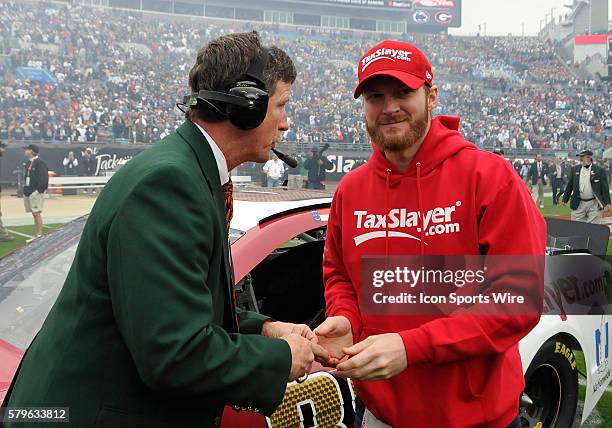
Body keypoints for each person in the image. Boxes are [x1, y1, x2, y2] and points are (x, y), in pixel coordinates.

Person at [2, 32, 328, 427]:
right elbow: (175, 353)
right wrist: (283, 358)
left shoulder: (187, 171)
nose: (286, 123)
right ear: (247, 106)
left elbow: (182, 307)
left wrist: (267, 329)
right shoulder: (169, 185)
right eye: (281, 105)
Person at [314, 40, 545, 428]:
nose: (389, 108)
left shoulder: (490, 178)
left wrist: (411, 346)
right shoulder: (350, 191)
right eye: (375, 97)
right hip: (378, 414)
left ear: (431, 95)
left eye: (403, 92)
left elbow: (517, 300)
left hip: (477, 419)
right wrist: (347, 317)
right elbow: (339, 273)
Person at [562, 149, 610, 223]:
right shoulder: (574, 169)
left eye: (582, 156)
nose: (580, 158)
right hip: (578, 203)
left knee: (594, 227)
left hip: (594, 203)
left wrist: (607, 203)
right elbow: (570, 185)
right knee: (577, 226)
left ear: (589, 157)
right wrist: (565, 199)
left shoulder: (599, 170)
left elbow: (604, 188)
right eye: (580, 156)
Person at [22, 144, 48, 240]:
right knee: (33, 213)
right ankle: (37, 233)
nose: (25, 151)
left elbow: (43, 178)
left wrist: (38, 191)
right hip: (28, 191)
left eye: (27, 149)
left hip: (35, 192)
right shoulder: (28, 163)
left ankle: (39, 234)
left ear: (32, 151)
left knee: (36, 212)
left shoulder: (40, 163)